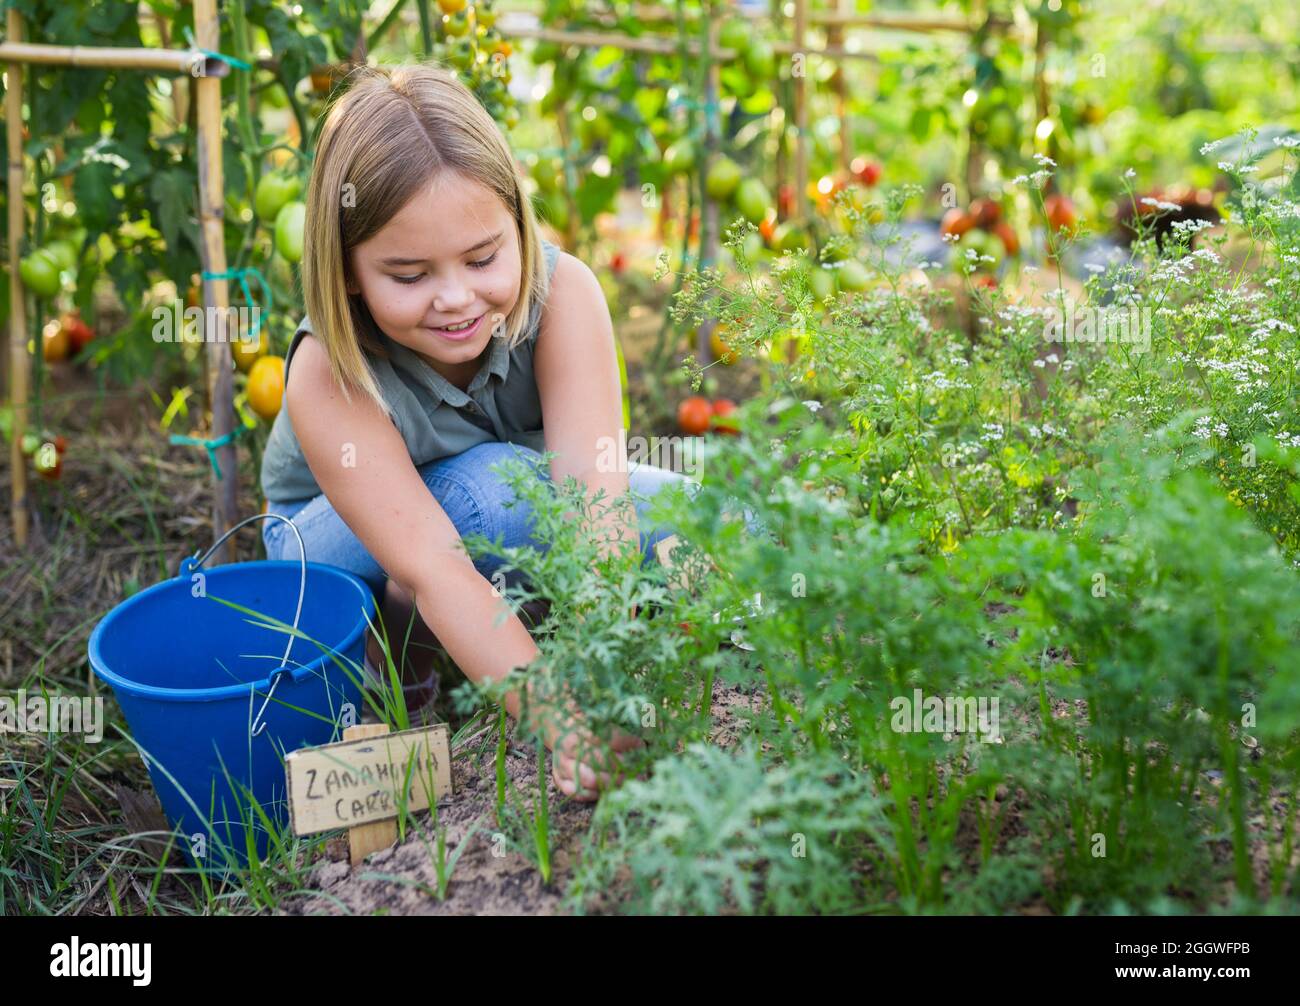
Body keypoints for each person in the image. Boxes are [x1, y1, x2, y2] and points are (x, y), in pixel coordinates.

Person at [258, 64, 692, 801]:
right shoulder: (328, 366)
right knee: (489, 492)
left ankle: (525, 633)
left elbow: (595, 505)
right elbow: (435, 562)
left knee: (711, 513)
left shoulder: (566, 295)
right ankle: (401, 670)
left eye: (484, 258)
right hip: (328, 546)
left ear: (518, 225)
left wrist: (600, 682)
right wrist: (563, 725)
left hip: (501, 503)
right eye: (409, 274)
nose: (456, 298)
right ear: (350, 271)